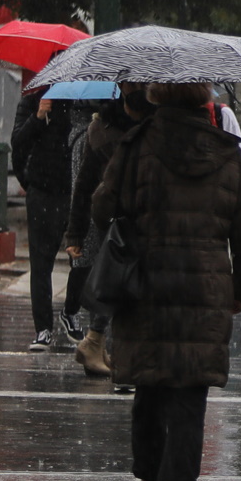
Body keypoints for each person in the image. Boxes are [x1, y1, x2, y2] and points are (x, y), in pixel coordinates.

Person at [90, 81, 241, 481]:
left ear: (157, 96)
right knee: (190, 388)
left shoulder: (135, 146)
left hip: (146, 283)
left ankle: (148, 480)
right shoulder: (227, 153)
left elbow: (103, 208)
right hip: (204, 288)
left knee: (150, 383)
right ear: (203, 98)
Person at [63, 84, 153, 378]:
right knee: (117, 284)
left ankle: (97, 343)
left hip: (143, 219)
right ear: (123, 90)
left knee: (121, 286)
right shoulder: (104, 130)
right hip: (117, 221)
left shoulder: (155, 126)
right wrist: (75, 234)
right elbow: (85, 185)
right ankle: (100, 344)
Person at [11, 87, 73, 351]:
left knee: (81, 261)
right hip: (42, 191)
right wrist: (38, 116)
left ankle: (70, 313)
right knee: (41, 263)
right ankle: (43, 329)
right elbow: (18, 142)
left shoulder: (80, 99)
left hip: (73, 191)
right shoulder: (33, 99)